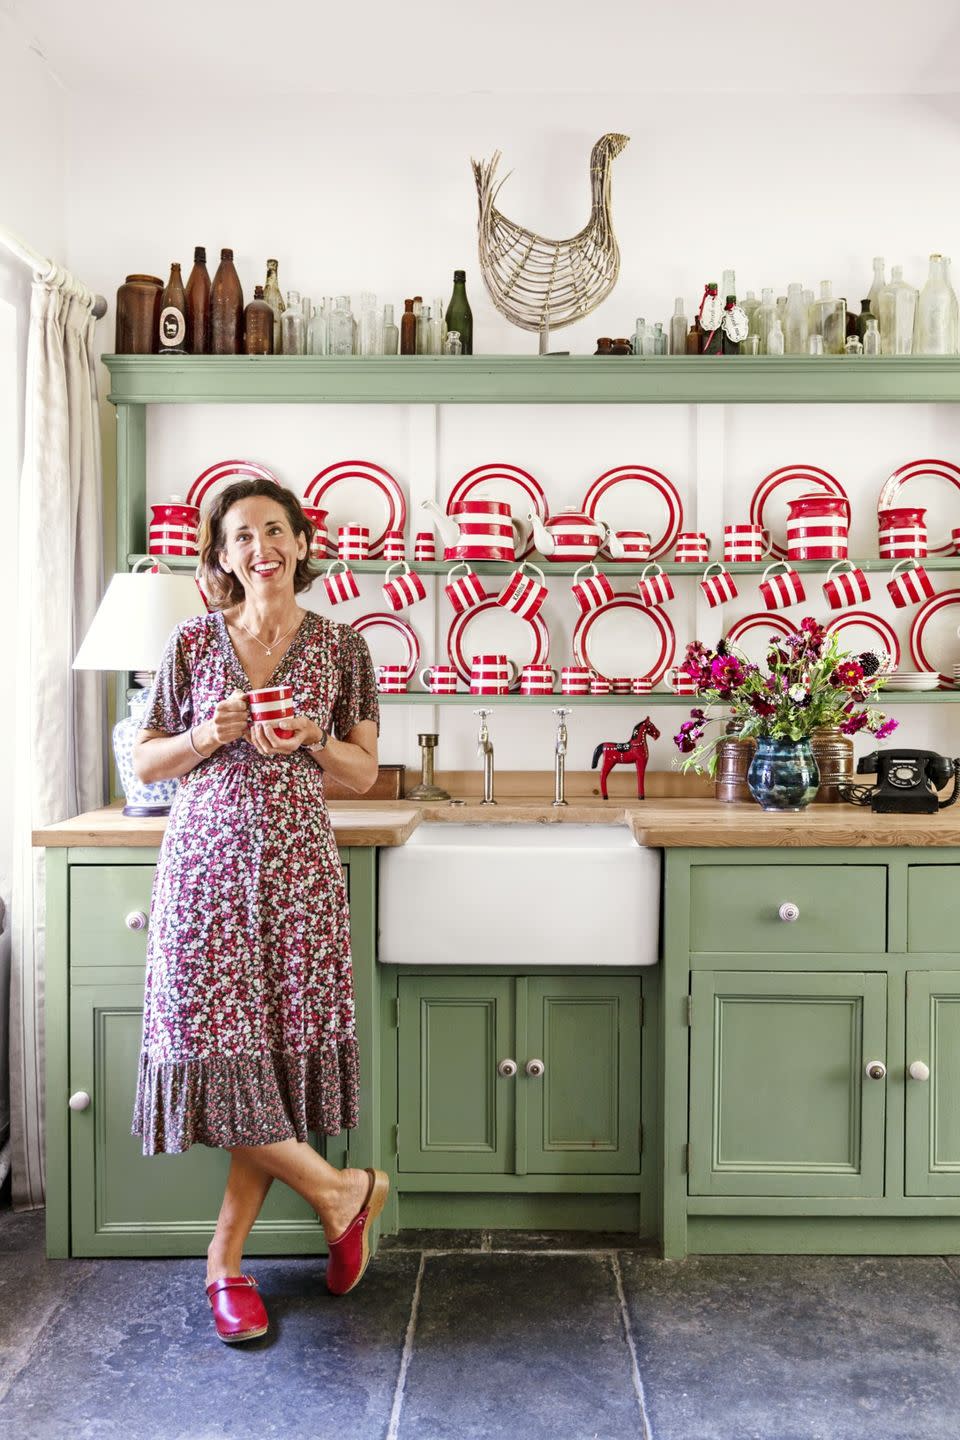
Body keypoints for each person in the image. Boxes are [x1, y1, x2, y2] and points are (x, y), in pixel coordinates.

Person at [132, 477, 388, 1344]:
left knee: (266, 1066)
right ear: (222, 557)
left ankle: (225, 1265)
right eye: (240, 536)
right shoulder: (192, 643)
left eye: (273, 531)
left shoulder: (343, 649)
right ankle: (339, 1192)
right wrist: (211, 733)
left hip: (298, 880)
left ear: (302, 544)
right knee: (216, 1054)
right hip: (202, 879)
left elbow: (362, 776)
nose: (259, 548)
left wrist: (310, 737)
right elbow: (147, 763)